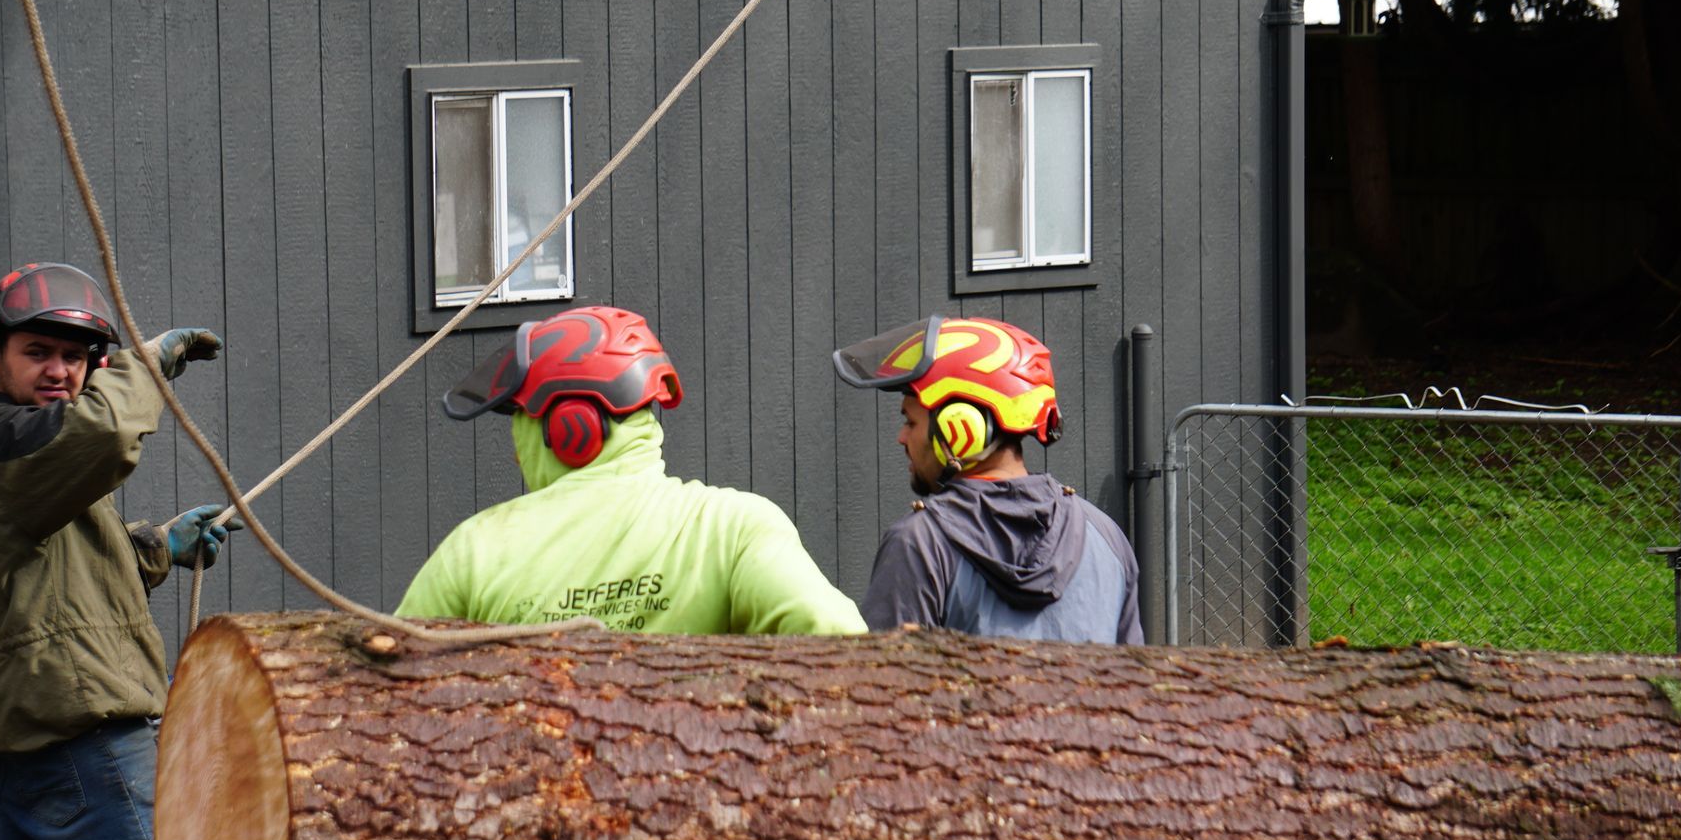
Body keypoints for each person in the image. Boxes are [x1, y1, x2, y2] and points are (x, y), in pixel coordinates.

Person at [0, 262, 240, 840]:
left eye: (74, 356)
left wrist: (158, 546)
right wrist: (147, 366)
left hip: (22, 744)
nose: (60, 370)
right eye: (37, 351)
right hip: (77, 737)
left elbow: (55, 574)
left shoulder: (15, 458)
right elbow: (101, 434)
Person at [397, 305, 864, 635]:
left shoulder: (474, 552)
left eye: (521, 424)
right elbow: (839, 644)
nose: (517, 454)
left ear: (570, 428)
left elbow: (385, 691)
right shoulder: (731, 529)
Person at [833, 314, 1143, 643]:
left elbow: (885, 687)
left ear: (961, 427)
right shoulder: (1106, 538)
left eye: (911, 422)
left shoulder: (919, 546)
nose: (901, 437)